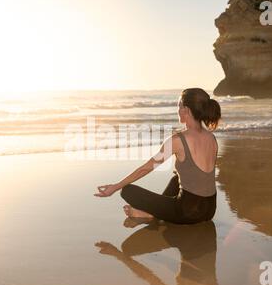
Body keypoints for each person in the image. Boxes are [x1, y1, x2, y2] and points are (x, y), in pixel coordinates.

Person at [94, 88, 221, 224]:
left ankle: (151, 215)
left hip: (187, 212)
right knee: (176, 178)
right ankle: (152, 213)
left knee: (127, 191)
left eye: (179, 106)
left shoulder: (178, 140)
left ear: (187, 110)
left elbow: (146, 168)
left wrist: (114, 187)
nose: (177, 110)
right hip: (209, 210)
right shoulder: (212, 138)